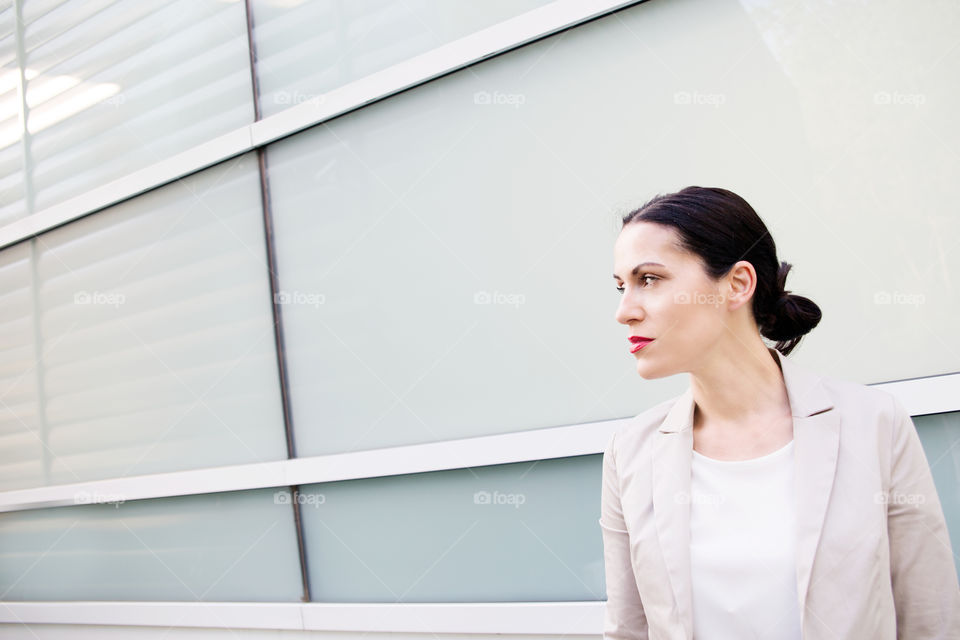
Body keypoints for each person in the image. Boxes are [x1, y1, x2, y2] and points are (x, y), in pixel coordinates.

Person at [600, 186, 960, 639]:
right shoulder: (630, 452)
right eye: (620, 286)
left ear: (737, 284)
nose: (624, 311)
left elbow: (932, 619)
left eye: (648, 279)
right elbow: (628, 631)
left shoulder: (874, 424)